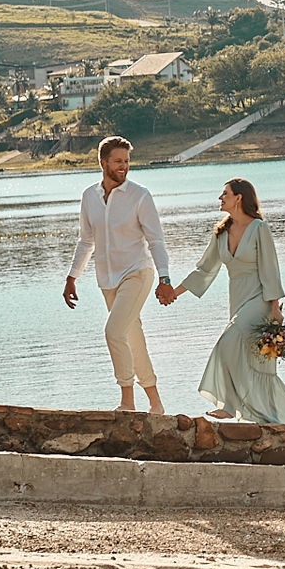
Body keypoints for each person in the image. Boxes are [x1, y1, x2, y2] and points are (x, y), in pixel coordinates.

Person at [163, 177, 285, 426]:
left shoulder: (260, 228)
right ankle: (273, 420)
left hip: (260, 300)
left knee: (227, 343)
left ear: (239, 198)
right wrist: (174, 292)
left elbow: (270, 269)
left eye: (224, 193)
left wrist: (274, 308)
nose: (220, 198)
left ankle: (229, 405)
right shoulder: (221, 233)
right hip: (237, 300)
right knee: (251, 360)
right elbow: (205, 270)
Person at [63, 135, 174, 414]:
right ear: (103, 163)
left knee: (113, 331)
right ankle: (156, 403)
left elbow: (156, 241)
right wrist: (71, 277)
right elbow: (86, 241)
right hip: (107, 279)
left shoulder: (140, 196)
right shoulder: (89, 197)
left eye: (126, 161)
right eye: (118, 161)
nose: (123, 166)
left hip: (138, 273)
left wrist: (165, 278)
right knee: (132, 337)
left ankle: (127, 400)